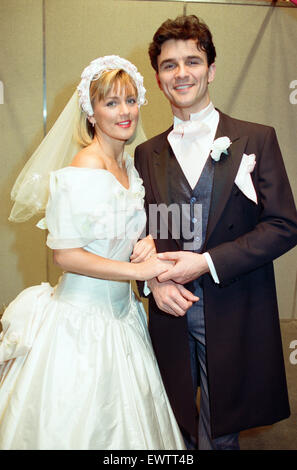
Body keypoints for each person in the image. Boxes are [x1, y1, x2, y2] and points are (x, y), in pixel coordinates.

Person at [0, 55, 186, 450]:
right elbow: (66, 256)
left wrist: (146, 242)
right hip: (80, 324)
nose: (125, 112)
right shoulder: (84, 167)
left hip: (124, 318)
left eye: (131, 100)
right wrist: (141, 271)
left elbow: (127, 229)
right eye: (112, 103)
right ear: (91, 111)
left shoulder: (130, 166)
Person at [134, 15, 297, 450]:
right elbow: (139, 233)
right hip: (170, 313)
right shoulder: (146, 153)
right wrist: (151, 281)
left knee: (221, 433)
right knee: (171, 424)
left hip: (235, 308)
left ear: (211, 70)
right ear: (159, 77)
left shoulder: (256, 139)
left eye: (193, 61)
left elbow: (284, 225)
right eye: (170, 65)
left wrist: (206, 262)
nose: (182, 73)